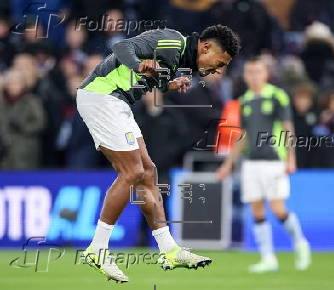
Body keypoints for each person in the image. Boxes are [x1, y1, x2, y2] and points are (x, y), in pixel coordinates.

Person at [76, 25, 240, 282]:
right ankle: (97, 248)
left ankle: (169, 250)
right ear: (206, 47)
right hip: (102, 96)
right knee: (132, 172)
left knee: (148, 172)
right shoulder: (172, 41)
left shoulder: (179, 59)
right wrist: (137, 65)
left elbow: (153, 81)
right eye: (219, 63)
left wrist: (171, 84)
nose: (218, 70)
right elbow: (122, 47)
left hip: (118, 101)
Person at [216, 57, 311, 273]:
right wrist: (228, 164)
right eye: (250, 72)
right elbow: (243, 136)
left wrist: (291, 158)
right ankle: (268, 258)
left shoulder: (277, 96)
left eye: (258, 72)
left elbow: (288, 128)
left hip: (274, 161)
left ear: (266, 74)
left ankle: (300, 243)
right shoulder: (245, 101)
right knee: (257, 212)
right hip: (251, 163)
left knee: (278, 209)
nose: (253, 76)